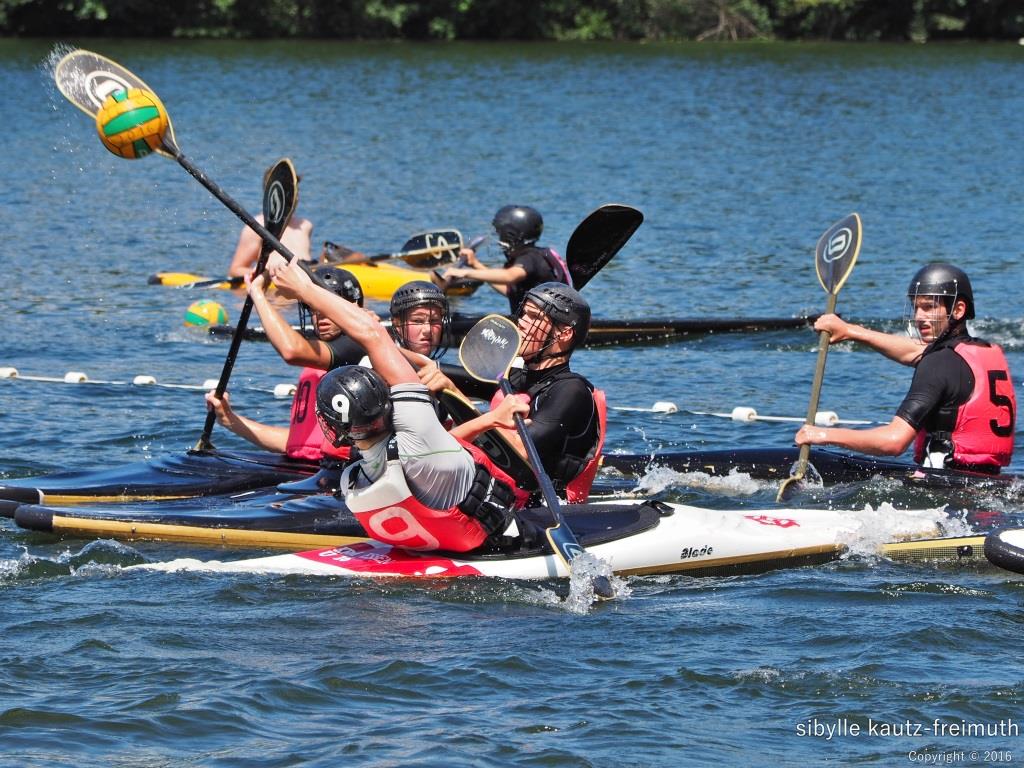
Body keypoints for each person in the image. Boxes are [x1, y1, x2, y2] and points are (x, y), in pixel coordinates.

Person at [269, 256, 534, 553]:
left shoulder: (358, 474)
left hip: (431, 525)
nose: (426, 330)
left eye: (433, 321)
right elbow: (372, 334)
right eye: (418, 321)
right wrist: (304, 287)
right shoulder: (415, 424)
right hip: (500, 535)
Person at [795, 263, 1016, 473]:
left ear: (958, 310)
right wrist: (850, 331)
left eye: (929, 307)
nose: (919, 317)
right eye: (916, 307)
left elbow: (894, 442)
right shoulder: (985, 352)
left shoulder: (938, 363)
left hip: (943, 497)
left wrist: (820, 434)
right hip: (988, 486)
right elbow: (915, 351)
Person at [455, 282, 606, 502]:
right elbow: (441, 375)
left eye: (533, 318)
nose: (521, 323)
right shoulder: (516, 377)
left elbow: (521, 450)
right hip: (499, 491)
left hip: (544, 508)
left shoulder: (571, 391)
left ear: (563, 334)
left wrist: (485, 422)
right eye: (523, 314)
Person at [204, 265, 367, 464]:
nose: (320, 316)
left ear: (354, 308)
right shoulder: (316, 364)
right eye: (313, 308)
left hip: (335, 475)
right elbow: (296, 443)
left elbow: (291, 351)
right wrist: (230, 420)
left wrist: (258, 294)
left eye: (326, 308)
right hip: (304, 470)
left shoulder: (358, 347)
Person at [436, 205, 570, 313]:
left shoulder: (530, 257)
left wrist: (464, 272)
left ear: (511, 235)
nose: (499, 240)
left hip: (543, 330)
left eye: (501, 235)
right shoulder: (536, 255)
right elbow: (510, 291)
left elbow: (510, 276)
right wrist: (476, 265)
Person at [227, 174, 313, 278]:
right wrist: (265, 275)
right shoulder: (256, 227)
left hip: (307, 280)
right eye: (290, 191)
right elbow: (235, 270)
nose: (296, 197)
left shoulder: (305, 225)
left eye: (296, 191)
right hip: (275, 286)